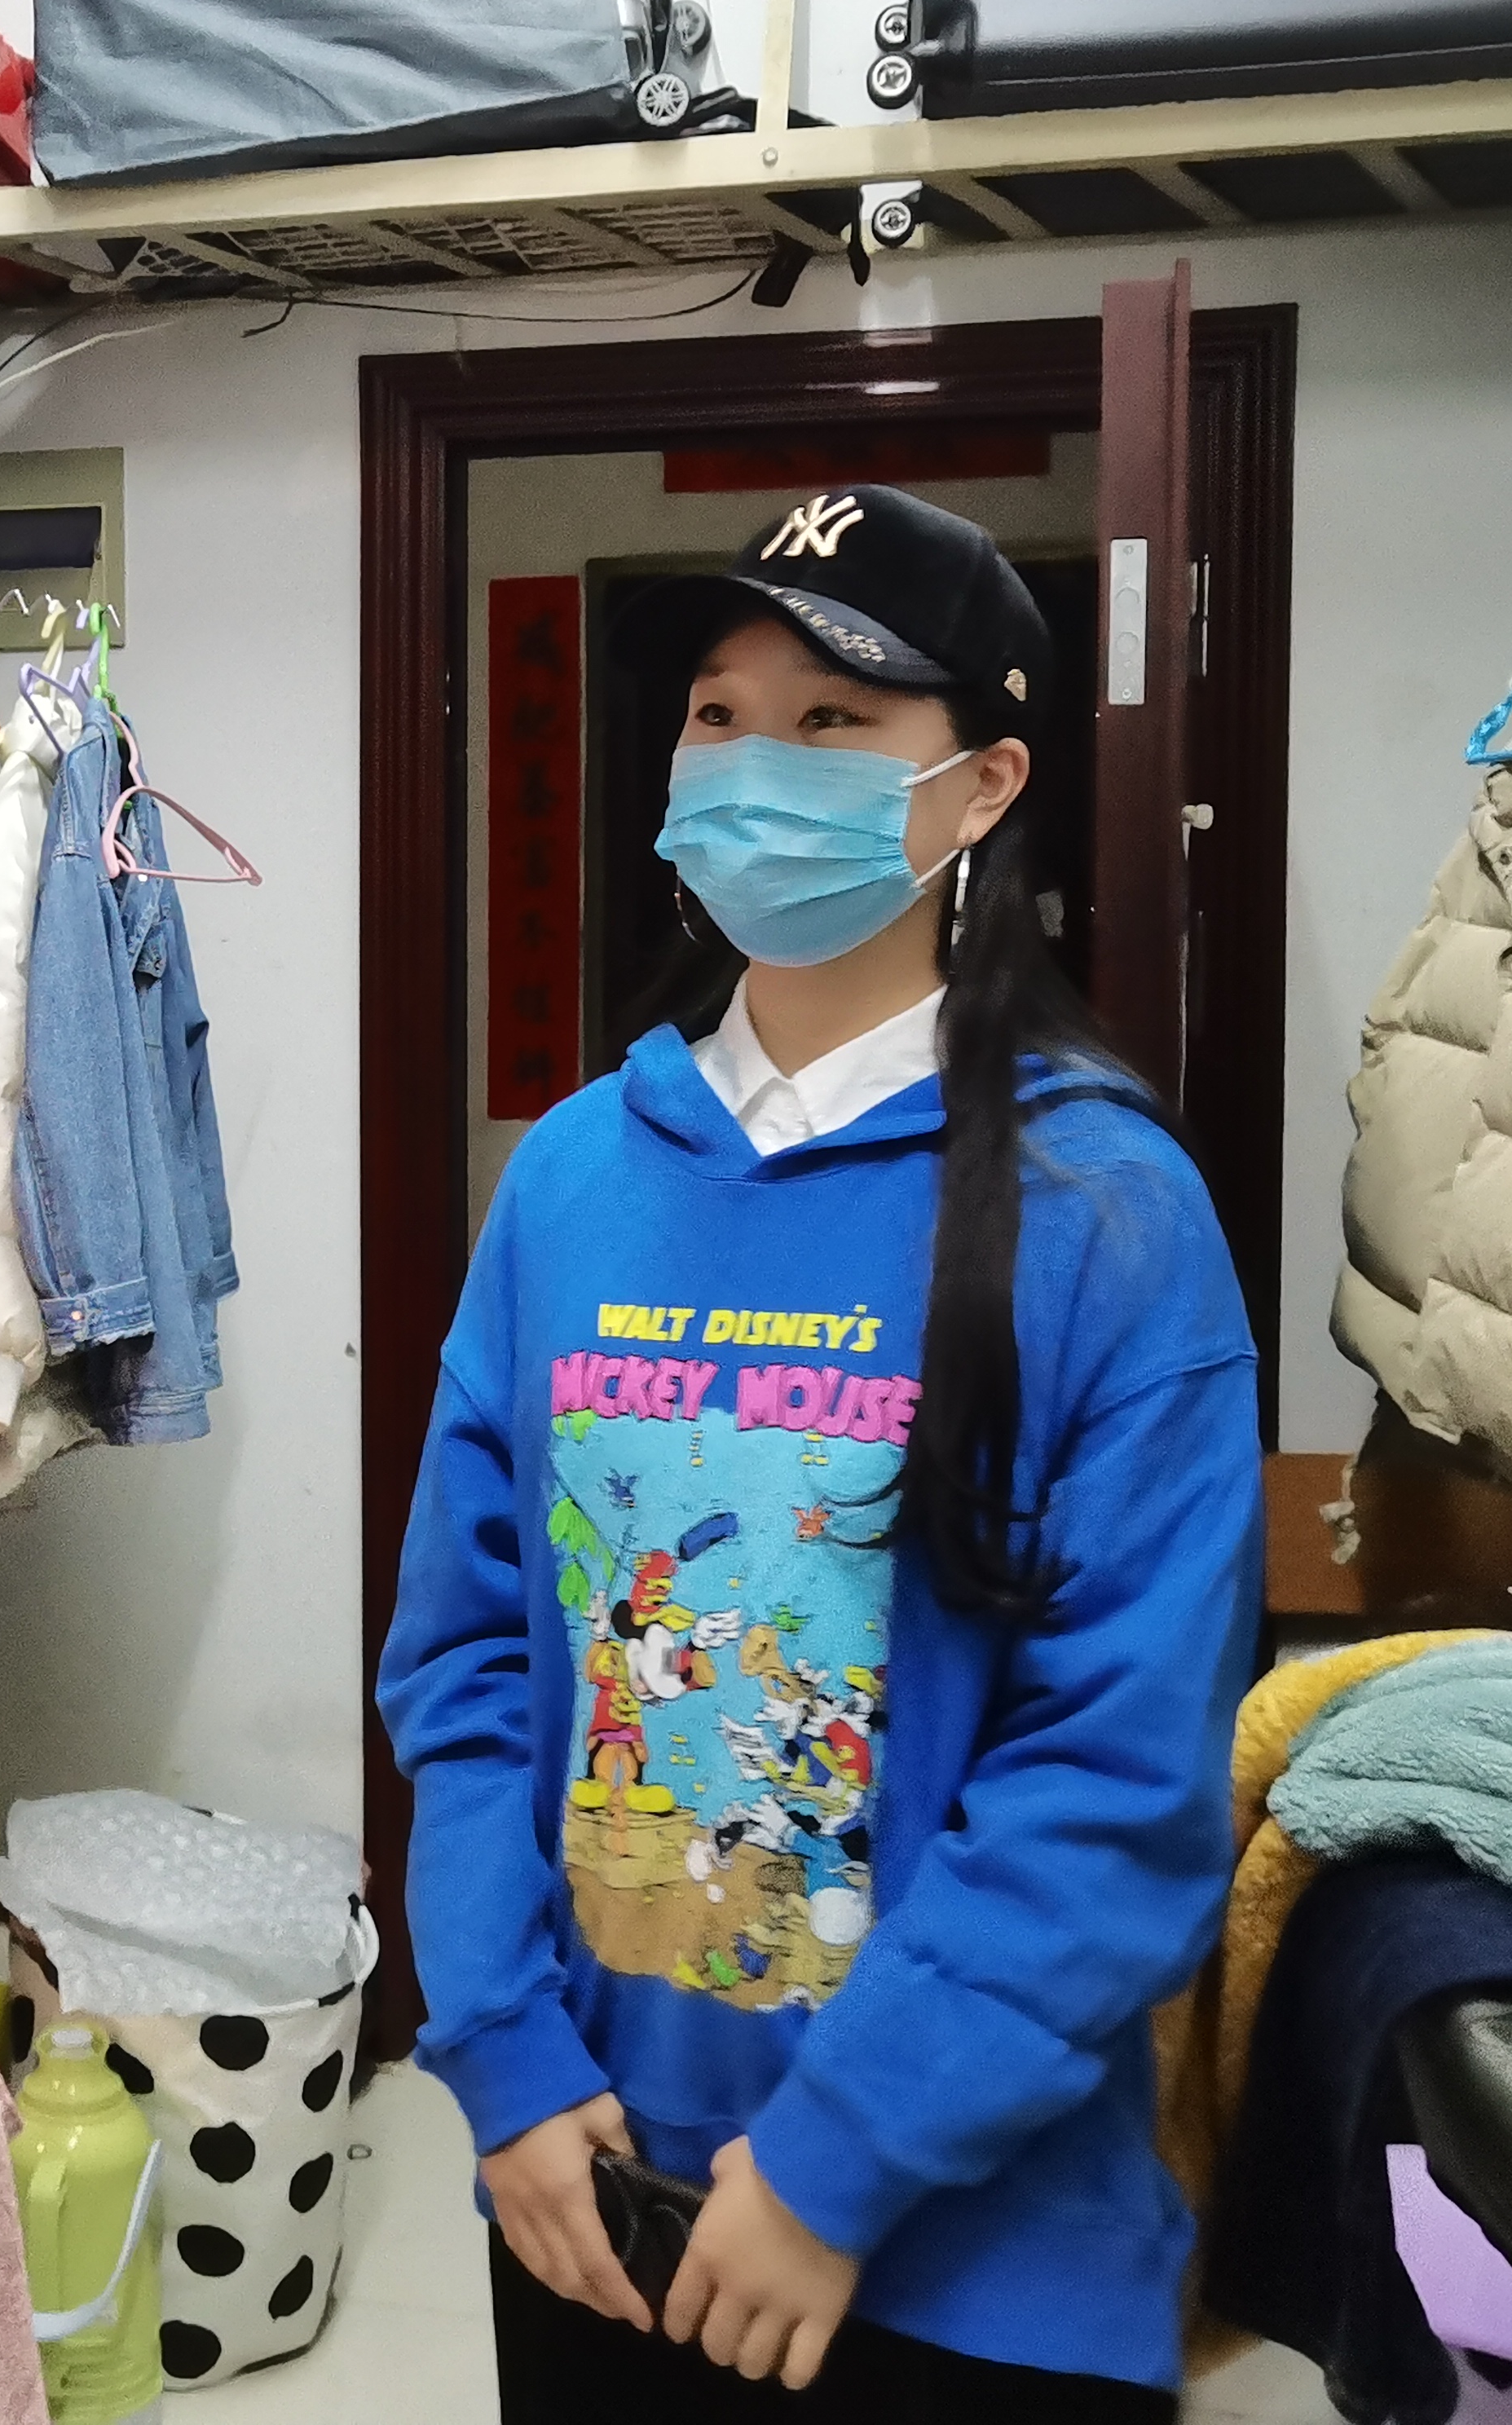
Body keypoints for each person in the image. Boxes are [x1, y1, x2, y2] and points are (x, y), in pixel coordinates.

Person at [378, 486, 1264, 2420]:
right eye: (719, 714)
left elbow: (1120, 1778)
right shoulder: (571, 1181)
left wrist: (836, 2166)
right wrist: (502, 2061)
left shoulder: (1108, 1212)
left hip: (967, 2262)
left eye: (835, 719)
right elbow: (464, 1670)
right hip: (590, 2200)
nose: (754, 763)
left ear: (982, 787)